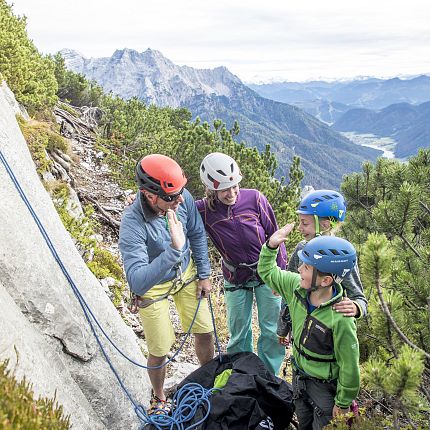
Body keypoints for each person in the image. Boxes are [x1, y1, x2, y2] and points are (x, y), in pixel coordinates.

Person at [119, 154, 214, 414]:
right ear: (150, 195)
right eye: (172, 197)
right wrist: (174, 249)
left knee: (204, 330)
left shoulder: (181, 200)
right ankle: (159, 397)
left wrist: (204, 273)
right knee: (159, 347)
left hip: (186, 273)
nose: (181, 200)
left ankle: (210, 379)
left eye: (181, 193)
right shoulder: (132, 223)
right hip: (155, 286)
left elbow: (196, 232)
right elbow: (137, 281)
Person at [258, 225, 360, 429]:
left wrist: (343, 403)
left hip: (325, 390)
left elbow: (349, 366)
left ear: (325, 280)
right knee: (303, 421)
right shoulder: (296, 286)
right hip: (299, 378)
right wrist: (270, 247)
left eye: (306, 267)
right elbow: (267, 272)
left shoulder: (341, 317)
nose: (298, 269)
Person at [196, 152, 287, 375]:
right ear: (211, 189)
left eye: (235, 185)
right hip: (235, 277)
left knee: (271, 330)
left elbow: (275, 235)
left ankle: (268, 377)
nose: (232, 193)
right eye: (226, 189)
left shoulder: (254, 198)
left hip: (267, 274)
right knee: (238, 333)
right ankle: (243, 375)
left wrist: (281, 276)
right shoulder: (204, 210)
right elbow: (175, 209)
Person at [277, 189, 368, 346]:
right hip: (300, 329)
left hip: (328, 334)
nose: (299, 228)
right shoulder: (301, 249)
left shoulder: (342, 256)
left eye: (305, 223)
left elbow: (359, 297)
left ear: (325, 225)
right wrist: (283, 327)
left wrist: (356, 307)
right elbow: (289, 292)